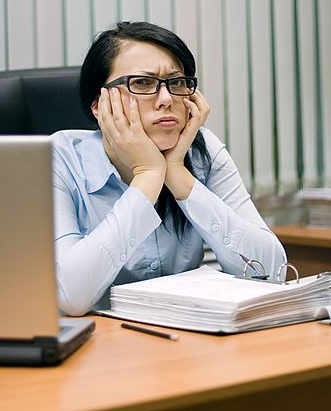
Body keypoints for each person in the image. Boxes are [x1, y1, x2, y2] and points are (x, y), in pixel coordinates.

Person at [52, 21, 287, 316]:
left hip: (186, 342)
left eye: (176, 83)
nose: (166, 99)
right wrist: (148, 175)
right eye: (142, 83)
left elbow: (272, 272)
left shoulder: (203, 151)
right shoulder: (59, 158)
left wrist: (177, 173)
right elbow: (70, 296)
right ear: (99, 105)